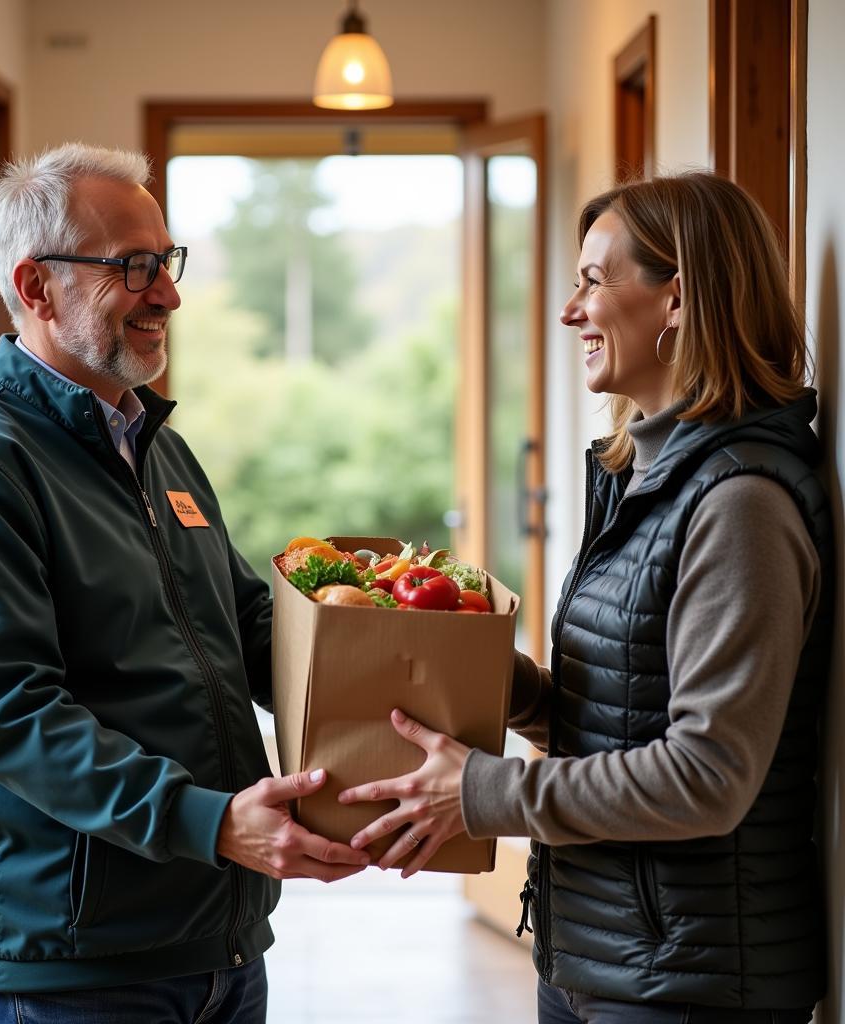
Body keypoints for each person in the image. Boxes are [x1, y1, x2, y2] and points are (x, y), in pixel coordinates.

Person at [0, 142, 369, 1024]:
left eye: (168, 262)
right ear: (36, 288)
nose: (170, 295)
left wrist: (394, 673)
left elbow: (243, 625)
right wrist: (212, 822)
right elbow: (11, 716)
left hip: (216, 941)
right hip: (72, 969)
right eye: (134, 267)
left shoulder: (156, 447)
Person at [339, 172, 831, 1023]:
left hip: (692, 985)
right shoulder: (639, 474)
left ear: (676, 301)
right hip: (599, 956)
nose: (571, 312)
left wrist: (482, 793)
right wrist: (475, 674)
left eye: (593, 281)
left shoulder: (740, 504)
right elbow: (622, 706)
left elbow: (708, 775)